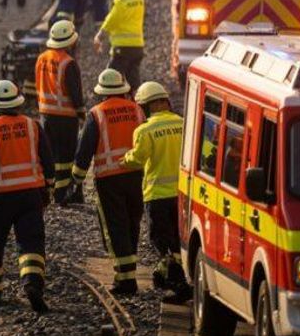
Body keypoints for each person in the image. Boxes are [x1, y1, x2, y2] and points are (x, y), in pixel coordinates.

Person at [0, 80, 54, 312]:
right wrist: (48, 186)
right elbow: (47, 160)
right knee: (31, 241)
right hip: (30, 195)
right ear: (17, 103)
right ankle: (32, 284)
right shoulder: (32, 126)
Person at [72, 69, 145, 295]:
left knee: (116, 227)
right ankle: (129, 274)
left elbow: (85, 149)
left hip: (109, 179)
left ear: (101, 92)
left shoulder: (97, 114)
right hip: (136, 175)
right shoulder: (137, 110)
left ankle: (125, 279)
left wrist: (76, 179)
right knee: (133, 222)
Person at [123, 81, 190, 303]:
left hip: (157, 195)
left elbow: (138, 159)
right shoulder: (183, 123)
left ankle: (178, 285)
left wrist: (124, 159)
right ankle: (167, 276)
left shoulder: (145, 130)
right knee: (180, 239)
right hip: (183, 194)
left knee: (163, 241)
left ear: (145, 107)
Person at [35, 20, 85, 204]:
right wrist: (82, 114)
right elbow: (75, 93)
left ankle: (50, 188)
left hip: (45, 115)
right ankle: (61, 193)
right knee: (65, 156)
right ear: (71, 42)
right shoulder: (68, 62)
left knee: (50, 154)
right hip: (65, 117)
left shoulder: (42, 58)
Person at [94, 0, 145, 89]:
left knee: (109, 80)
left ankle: (108, 105)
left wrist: (100, 35)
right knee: (134, 82)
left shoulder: (120, 0)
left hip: (122, 48)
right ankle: (137, 104)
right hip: (138, 47)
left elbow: (112, 19)